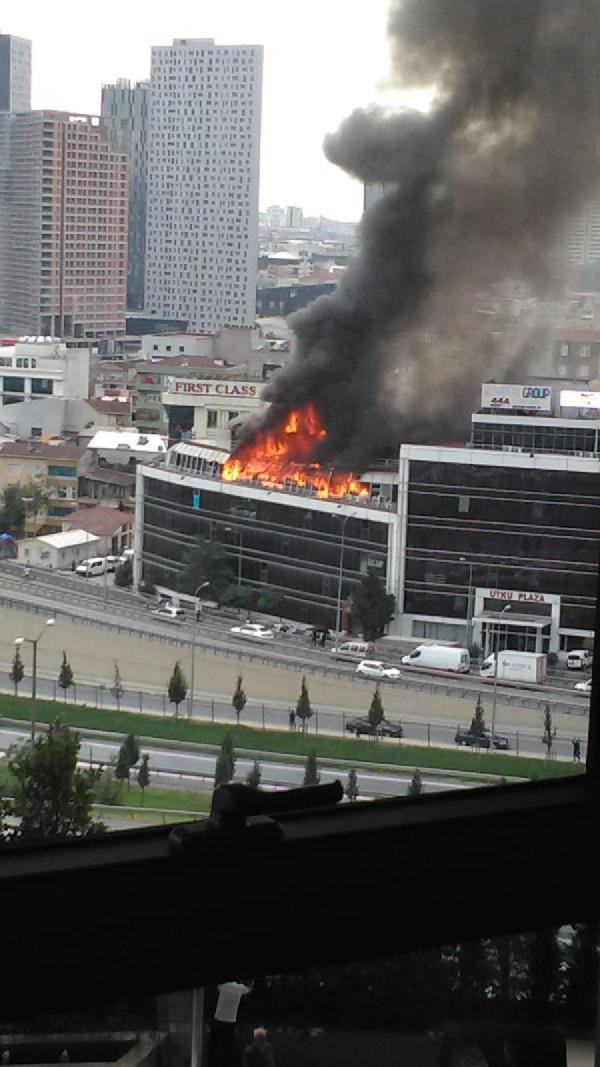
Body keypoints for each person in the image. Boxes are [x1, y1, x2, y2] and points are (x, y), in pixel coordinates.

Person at [210, 980, 252, 1066]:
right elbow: (250, 989)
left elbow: (217, 987)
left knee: (214, 1045)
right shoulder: (240, 988)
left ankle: (212, 1062)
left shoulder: (223, 985)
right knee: (227, 1048)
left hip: (219, 1017)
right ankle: (226, 1063)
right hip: (230, 1020)